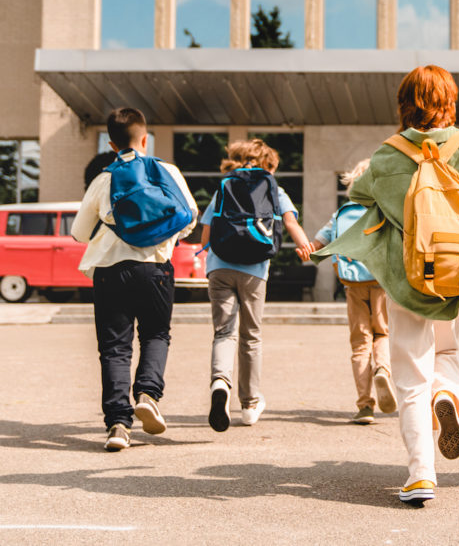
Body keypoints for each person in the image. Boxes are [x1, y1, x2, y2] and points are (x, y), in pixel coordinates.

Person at [311, 65, 459, 505]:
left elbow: (359, 197)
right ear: (450, 101)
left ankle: (421, 474)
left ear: (404, 104)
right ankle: (446, 394)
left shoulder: (388, 155)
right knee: (447, 350)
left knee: (410, 374)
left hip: (407, 277)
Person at [71, 107, 198, 451]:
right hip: (156, 268)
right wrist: (161, 237)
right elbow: (189, 217)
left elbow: (78, 233)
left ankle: (117, 426)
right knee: (156, 334)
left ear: (111, 143)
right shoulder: (166, 171)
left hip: (110, 271)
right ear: (145, 139)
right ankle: (147, 394)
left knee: (114, 348)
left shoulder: (104, 178)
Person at [200, 139, 314, 432]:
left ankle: (219, 383)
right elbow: (290, 223)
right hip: (254, 270)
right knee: (250, 336)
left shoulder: (224, 186)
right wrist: (305, 247)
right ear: (268, 165)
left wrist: (210, 259)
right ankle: (250, 404)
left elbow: (206, 236)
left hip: (220, 267)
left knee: (223, 332)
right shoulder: (274, 188)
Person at [311, 159, 397, 425]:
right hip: (381, 281)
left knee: (360, 343)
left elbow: (317, 244)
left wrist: (307, 248)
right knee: (382, 332)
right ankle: (382, 368)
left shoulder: (341, 214)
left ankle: (365, 406)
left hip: (352, 284)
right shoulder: (384, 210)